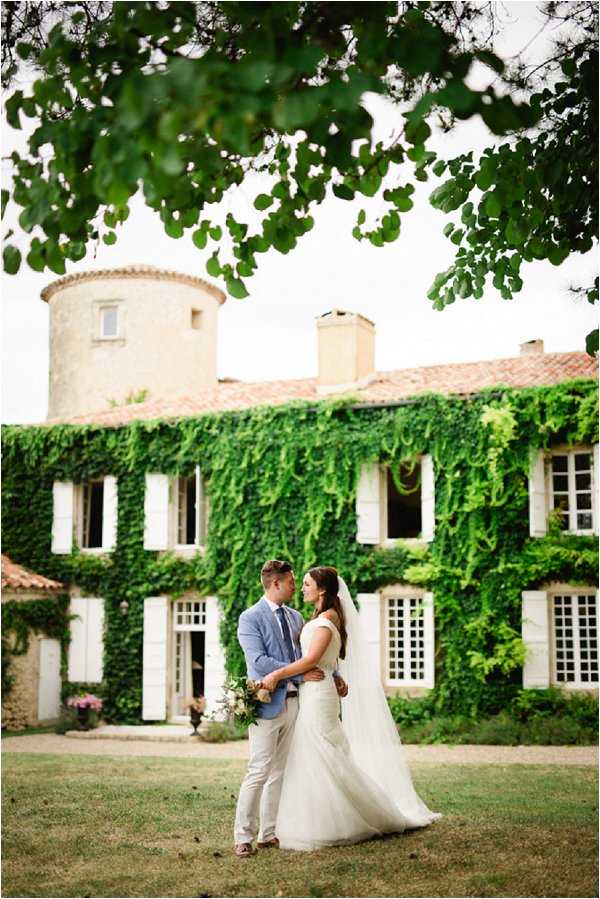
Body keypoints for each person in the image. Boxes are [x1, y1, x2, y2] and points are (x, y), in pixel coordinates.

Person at [260, 565, 442, 851]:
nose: (302, 588)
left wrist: (276, 675)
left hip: (319, 696)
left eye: (307, 584)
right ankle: (319, 817)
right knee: (316, 753)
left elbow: (312, 661)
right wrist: (334, 675)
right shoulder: (320, 617)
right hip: (315, 691)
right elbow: (323, 663)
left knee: (325, 751)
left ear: (322, 590)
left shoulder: (326, 620)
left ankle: (358, 816)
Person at [233, 559, 348, 858]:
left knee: (279, 771)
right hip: (266, 704)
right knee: (259, 769)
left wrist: (335, 676)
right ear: (276, 584)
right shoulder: (250, 618)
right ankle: (242, 836)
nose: (296, 587)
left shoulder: (297, 617)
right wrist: (296, 673)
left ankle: (268, 834)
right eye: (292, 583)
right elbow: (258, 662)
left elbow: (310, 657)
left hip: (298, 703)